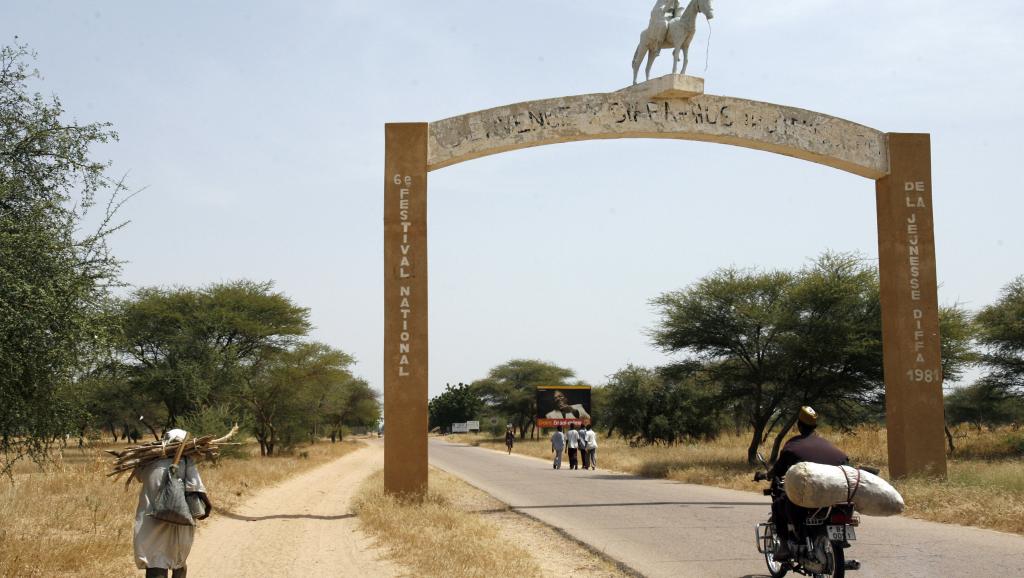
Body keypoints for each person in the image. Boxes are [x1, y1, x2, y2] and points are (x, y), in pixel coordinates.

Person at [769, 407, 848, 561]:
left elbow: (778, 469)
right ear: (815, 427)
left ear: (799, 425)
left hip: (809, 495)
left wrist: (767, 475)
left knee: (778, 505)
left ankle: (784, 546)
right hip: (833, 492)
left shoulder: (793, 445)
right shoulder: (826, 443)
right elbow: (844, 462)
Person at [134, 429, 212, 578]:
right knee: (178, 560)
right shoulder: (186, 461)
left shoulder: (148, 462)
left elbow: (140, 477)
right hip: (178, 520)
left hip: (150, 520)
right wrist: (208, 506)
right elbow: (196, 487)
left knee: (154, 560)